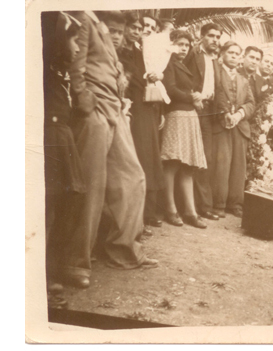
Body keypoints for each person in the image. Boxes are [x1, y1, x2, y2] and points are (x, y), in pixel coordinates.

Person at [65, 10, 157, 288]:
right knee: (92, 187)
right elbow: (74, 67)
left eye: (121, 31)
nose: (118, 35)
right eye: (115, 30)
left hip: (114, 113)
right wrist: (86, 106)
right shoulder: (84, 18)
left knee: (133, 178)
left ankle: (123, 250)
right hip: (95, 115)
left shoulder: (102, 27)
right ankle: (74, 263)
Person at [42, 11, 86, 304]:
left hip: (64, 139)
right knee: (48, 204)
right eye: (73, 40)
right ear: (58, 41)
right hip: (50, 139)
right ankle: (42, 276)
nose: (78, 47)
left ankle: (54, 268)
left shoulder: (61, 74)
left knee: (70, 203)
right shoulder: (43, 72)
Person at [117, 12, 166, 230]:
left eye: (148, 28)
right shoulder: (125, 51)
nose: (143, 30)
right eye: (139, 26)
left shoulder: (150, 53)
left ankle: (148, 212)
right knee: (137, 158)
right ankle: (135, 218)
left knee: (150, 159)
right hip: (133, 106)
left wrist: (160, 109)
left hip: (149, 108)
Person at [161, 30, 208, 229]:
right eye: (180, 44)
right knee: (172, 163)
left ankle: (190, 212)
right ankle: (170, 209)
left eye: (186, 45)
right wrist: (192, 97)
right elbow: (170, 90)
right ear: (171, 44)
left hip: (189, 117)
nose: (183, 48)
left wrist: (193, 98)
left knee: (188, 166)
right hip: (177, 115)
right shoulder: (167, 64)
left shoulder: (182, 65)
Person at [183, 23, 223, 221]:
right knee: (189, 157)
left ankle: (204, 207)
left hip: (208, 112)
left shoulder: (216, 60)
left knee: (205, 158)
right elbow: (180, 76)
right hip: (191, 109)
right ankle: (190, 208)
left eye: (217, 36)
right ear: (202, 36)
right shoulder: (193, 53)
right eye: (211, 36)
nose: (215, 40)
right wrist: (192, 96)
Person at [212, 41, 256, 218]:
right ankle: (218, 204)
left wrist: (239, 114)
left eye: (237, 54)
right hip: (221, 125)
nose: (234, 56)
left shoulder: (244, 80)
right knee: (221, 164)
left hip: (240, 127)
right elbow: (214, 97)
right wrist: (224, 115)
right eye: (230, 52)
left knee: (238, 166)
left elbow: (252, 103)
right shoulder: (215, 74)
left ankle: (235, 204)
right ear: (222, 54)